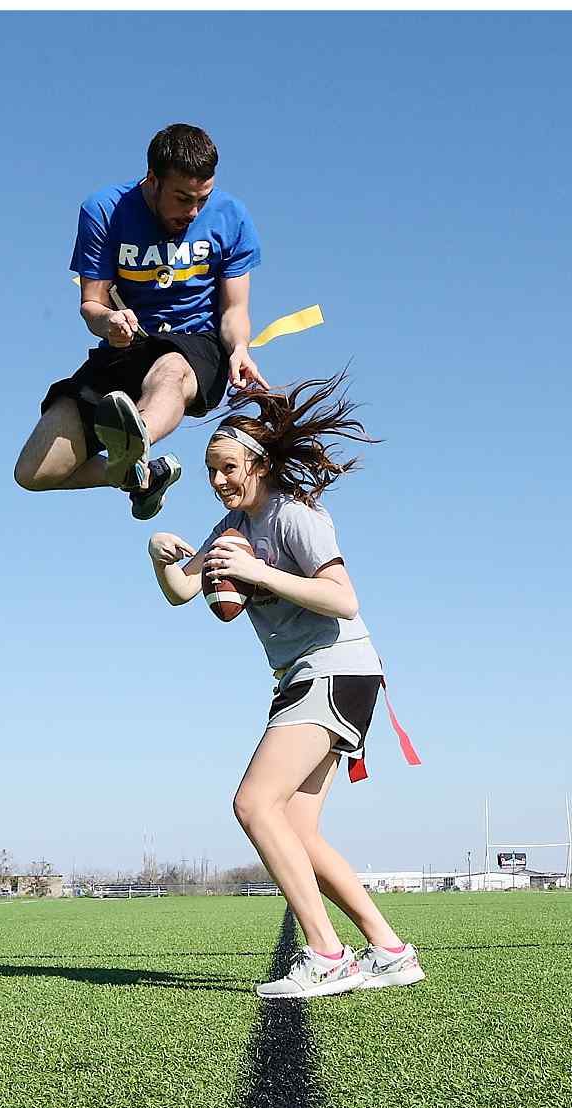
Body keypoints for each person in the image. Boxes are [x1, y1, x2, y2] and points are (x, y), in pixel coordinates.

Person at [145, 375, 423, 999]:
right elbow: (186, 591)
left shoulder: (296, 516)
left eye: (228, 469)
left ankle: (328, 955)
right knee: (298, 830)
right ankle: (391, 950)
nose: (217, 481)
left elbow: (343, 599)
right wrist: (161, 557)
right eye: (210, 472)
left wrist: (255, 570)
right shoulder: (231, 526)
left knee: (251, 804)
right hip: (305, 677)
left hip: (336, 668)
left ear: (260, 464)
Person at [16, 123, 266, 521]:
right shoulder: (104, 210)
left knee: (169, 370)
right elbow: (91, 306)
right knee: (33, 472)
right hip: (126, 344)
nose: (194, 212)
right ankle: (140, 476)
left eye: (203, 198)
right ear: (152, 180)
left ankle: (136, 439)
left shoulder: (231, 217)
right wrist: (110, 322)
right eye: (183, 198)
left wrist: (239, 348)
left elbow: (234, 310)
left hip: (194, 342)